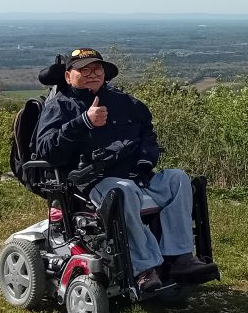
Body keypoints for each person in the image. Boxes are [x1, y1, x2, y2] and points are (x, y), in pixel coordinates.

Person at [34, 48, 217, 292]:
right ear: (68, 76)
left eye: (97, 69)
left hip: (136, 175)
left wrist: (144, 161)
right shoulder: (60, 106)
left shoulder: (123, 102)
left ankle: (180, 258)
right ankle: (144, 269)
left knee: (178, 179)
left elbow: (147, 134)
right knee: (125, 191)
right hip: (92, 182)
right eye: (83, 70)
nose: (92, 74)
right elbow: (46, 150)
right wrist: (83, 122)